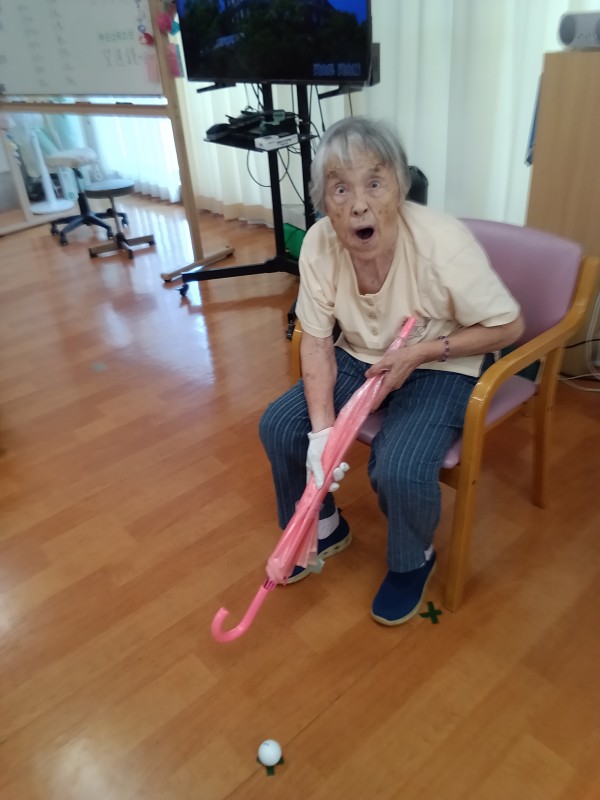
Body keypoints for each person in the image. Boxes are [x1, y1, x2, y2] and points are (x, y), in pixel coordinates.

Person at [259, 116, 524, 625]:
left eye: (374, 183)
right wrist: (322, 434)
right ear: (323, 202)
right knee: (282, 426)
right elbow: (316, 340)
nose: (358, 204)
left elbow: (509, 325)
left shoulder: (442, 242)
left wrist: (423, 352)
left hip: (443, 357)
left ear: (399, 188)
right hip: (359, 352)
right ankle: (325, 527)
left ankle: (412, 559)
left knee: (398, 465)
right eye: (340, 188)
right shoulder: (318, 243)